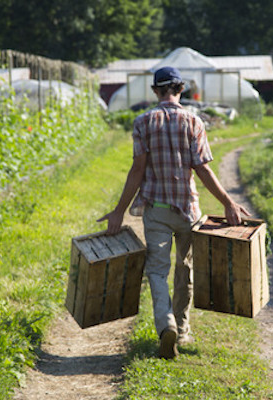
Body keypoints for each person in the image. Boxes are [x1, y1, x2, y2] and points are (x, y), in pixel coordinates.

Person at [98, 66, 250, 359]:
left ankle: (164, 322)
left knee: (156, 270)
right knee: (185, 269)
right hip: (187, 211)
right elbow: (202, 168)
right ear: (181, 90)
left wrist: (119, 211)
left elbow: (137, 170)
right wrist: (228, 203)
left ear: (156, 91)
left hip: (157, 210)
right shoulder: (193, 121)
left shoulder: (143, 122)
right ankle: (182, 330)